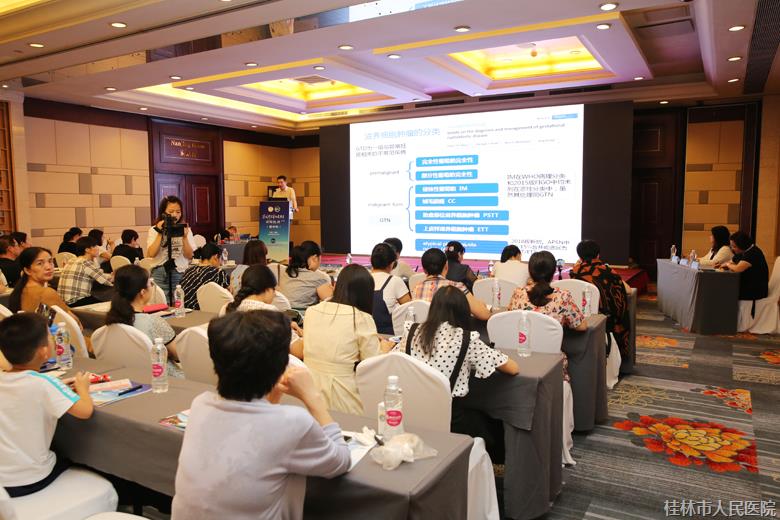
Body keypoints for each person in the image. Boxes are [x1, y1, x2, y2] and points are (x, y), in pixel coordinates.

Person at [172, 310, 350, 519]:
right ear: (283, 363)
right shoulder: (293, 423)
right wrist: (313, 397)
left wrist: (272, 392)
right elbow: (341, 461)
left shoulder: (201, 404)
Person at [400, 285, 518, 461]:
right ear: (463, 312)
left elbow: (395, 358)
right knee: (495, 421)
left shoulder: (411, 331)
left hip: (413, 413)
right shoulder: (466, 339)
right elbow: (512, 368)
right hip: (452, 420)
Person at [0, 313, 94, 497]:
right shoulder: (44, 383)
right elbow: (85, 411)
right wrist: (83, 388)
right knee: (81, 459)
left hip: (3, 481)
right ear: (44, 352)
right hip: (30, 480)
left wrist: (58, 387)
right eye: (50, 337)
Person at [304, 264, 393, 414]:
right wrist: (384, 349)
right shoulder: (361, 317)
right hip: (342, 396)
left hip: (307, 391)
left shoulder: (312, 311)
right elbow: (372, 364)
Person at [106, 264, 180, 365]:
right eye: (151, 283)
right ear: (143, 292)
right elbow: (178, 354)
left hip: (125, 371)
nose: (152, 286)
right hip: (160, 373)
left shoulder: (110, 322)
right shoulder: (154, 322)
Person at [225, 264, 303, 359]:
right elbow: (299, 351)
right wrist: (304, 334)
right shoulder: (270, 313)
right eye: (274, 290)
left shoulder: (228, 308)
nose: (275, 294)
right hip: (265, 366)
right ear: (268, 289)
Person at [570, 240, 631, 358]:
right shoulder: (607, 271)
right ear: (598, 255)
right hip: (611, 321)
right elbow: (628, 290)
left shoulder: (575, 272)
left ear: (579, 256)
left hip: (586, 319)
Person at [508, 251, 587, 334]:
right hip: (552, 343)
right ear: (553, 272)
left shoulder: (518, 293)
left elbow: (509, 319)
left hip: (522, 341)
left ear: (530, 272)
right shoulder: (563, 296)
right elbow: (582, 326)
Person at [8, 247, 82, 326]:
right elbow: (74, 322)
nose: (48, 267)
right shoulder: (46, 293)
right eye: (40, 263)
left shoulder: (21, 289)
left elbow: (47, 318)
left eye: (50, 261)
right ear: (27, 270)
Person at [413, 248, 491, 321]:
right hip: (450, 330)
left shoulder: (416, 288)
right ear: (446, 266)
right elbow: (484, 315)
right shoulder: (457, 287)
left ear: (424, 270)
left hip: (425, 330)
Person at [146, 195, 196, 304]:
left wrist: (184, 237)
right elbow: (151, 254)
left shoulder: (185, 230)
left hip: (179, 271)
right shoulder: (154, 230)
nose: (175, 215)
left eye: (178, 212)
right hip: (159, 272)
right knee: (160, 305)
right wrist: (160, 233)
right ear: (163, 213)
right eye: (171, 211)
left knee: (178, 304)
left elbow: (189, 255)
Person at [57, 236, 114, 308]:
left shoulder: (72, 260)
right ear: (87, 250)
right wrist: (113, 277)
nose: (98, 248)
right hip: (76, 301)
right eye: (95, 246)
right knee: (111, 297)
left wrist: (109, 276)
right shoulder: (85, 262)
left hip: (63, 302)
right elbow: (104, 281)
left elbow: (97, 274)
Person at [722, 231, 769, 312]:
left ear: (742, 245)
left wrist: (727, 265)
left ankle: (728, 316)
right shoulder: (743, 251)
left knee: (725, 291)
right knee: (724, 289)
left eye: (734, 246)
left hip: (755, 290)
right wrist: (725, 264)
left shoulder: (753, 253)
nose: (732, 249)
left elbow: (738, 268)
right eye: (731, 246)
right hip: (747, 286)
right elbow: (732, 261)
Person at [370, 242, 411, 334]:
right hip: (389, 337)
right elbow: (410, 309)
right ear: (392, 264)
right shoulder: (395, 281)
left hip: (366, 334)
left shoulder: (363, 278)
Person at [278, 240, 333, 308]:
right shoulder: (320, 277)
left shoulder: (285, 272)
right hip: (305, 314)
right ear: (315, 258)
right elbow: (330, 304)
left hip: (281, 312)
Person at [180, 243, 229, 310]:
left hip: (183, 311)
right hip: (203, 312)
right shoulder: (218, 272)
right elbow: (228, 296)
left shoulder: (189, 270)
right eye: (221, 258)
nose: (220, 263)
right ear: (216, 257)